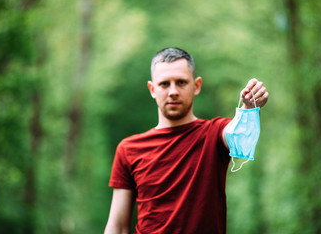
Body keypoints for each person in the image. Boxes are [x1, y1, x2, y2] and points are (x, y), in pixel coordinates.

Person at [104, 47, 269, 234]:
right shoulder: (129, 149)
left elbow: (238, 132)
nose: (173, 91)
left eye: (181, 82)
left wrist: (249, 107)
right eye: (164, 84)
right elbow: (117, 226)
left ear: (196, 85)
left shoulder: (213, 133)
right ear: (152, 89)